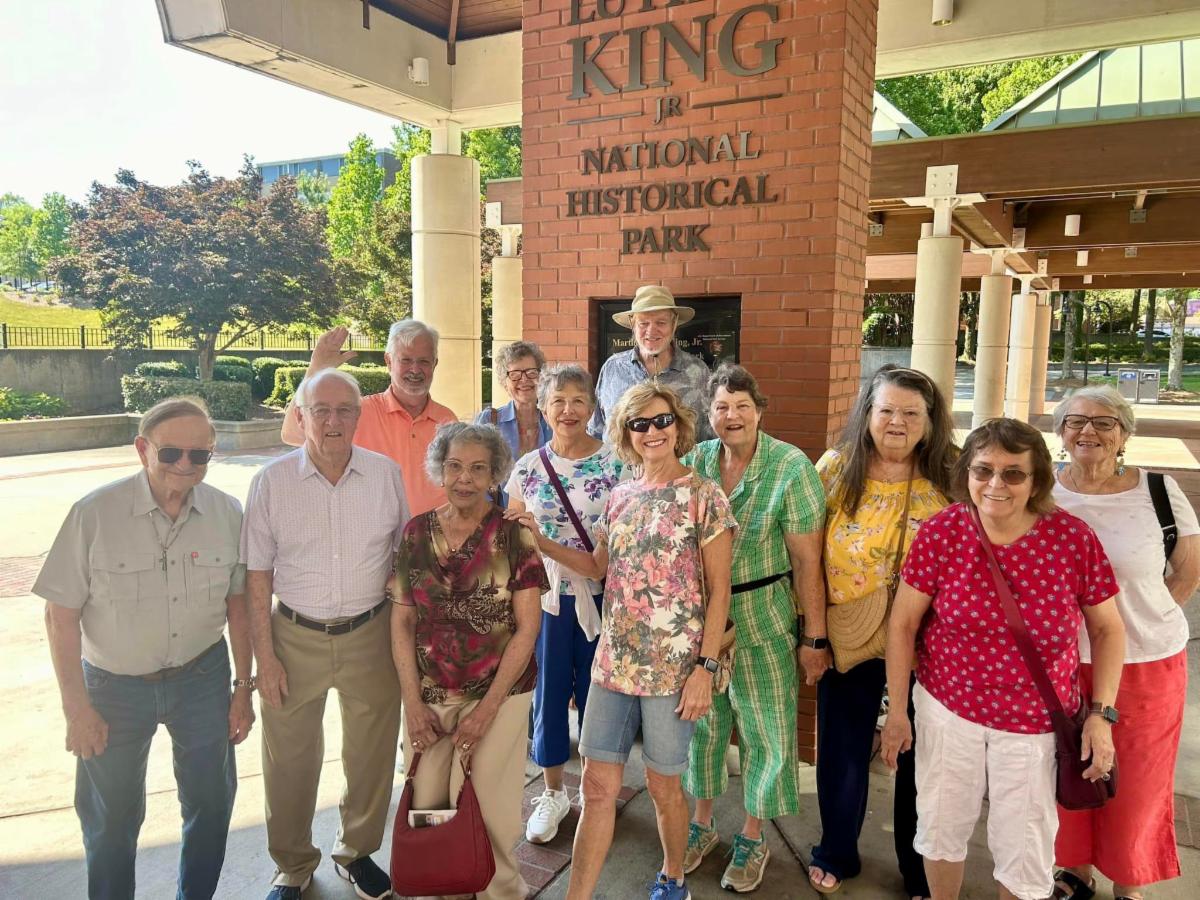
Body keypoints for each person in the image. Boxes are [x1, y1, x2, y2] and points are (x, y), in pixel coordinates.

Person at [881, 417, 1127, 900]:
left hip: (1034, 725)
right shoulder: (942, 532)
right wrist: (896, 712)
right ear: (967, 474)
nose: (996, 483)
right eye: (983, 470)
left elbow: (1108, 628)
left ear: (1036, 481)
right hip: (948, 710)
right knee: (941, 825)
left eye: (1013, 473)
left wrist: (1102, 714)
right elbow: (902, 625)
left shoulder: (1071, 539)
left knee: (1025, 846)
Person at [513, 382, 736, 900]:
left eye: (662, 421)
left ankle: (674, 878)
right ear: (626, 433)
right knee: (595, 787)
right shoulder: (620, 497)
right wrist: (540, 540)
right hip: (613, 665)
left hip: (673, 670)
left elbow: (720, 589)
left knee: (663, 786)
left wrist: (704, 669)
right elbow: (596, 567)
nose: (652, 431)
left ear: (679, 426)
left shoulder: (704, 495)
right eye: (640, 424)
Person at [36, 397, 253, 900]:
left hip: (202, 679)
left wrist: (243, 688)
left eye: (200, 455)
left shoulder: (227, 512)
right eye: (171, 452)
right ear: (142, 449)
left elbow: (238, 606)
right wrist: (76, 709)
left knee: (212, 805)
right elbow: (59, 616)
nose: (185, 465)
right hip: (113, 688)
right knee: (110, 821)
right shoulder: (94, 514)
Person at [243, 368, 410, 900]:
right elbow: (256, 577)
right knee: (288, 757)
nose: (333, 420)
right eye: (321, 410)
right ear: (301, 416)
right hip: (293, 636)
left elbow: (402, 556)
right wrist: (264, 659)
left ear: (359, 417)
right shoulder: (271, 482)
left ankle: (356, 851)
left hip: (370, 632)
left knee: (371, 753)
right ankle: (292, 864)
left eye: (344, 410)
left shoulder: (385, 474)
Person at [809, 364, 958, 898]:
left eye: (911, 413)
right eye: (887, 410)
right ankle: (836, 850)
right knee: (842, 748)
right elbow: (806, 555)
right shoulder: (835, 468)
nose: (898, 422)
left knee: (921, 754)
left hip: (930, 640)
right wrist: (813, 634)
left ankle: (918, 868)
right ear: (867, 413)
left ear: (931, 420)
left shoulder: (953, 472)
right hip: (851, 630)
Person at [1048, 386, 1200, 900]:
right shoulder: (1043, 491)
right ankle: (1074, 872)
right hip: (1066, 663)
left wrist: (1136, 624)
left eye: (1104, 422)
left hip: (1146, 663)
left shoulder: (1158, 490)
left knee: (1137, 781)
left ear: (1124, 434)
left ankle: (1129, 883)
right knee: (1070, 769)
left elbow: (1187, 572)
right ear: (1061, 431)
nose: (1088, 430)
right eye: (1076, 420)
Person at [678, 363, 825, 893]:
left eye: (742, 406)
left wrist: (813, 636)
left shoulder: (790, 467)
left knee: (766, 729)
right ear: (709, 414)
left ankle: (752, 835)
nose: (732, 416)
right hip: (702, 620)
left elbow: (807, 562)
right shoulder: (695, 461)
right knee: (703, 726)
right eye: (721, 407)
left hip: (764, 615)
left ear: (759, 411)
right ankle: (701, 824)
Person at [390, 422, 549, 900]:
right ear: (440, 469)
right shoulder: (416, 533)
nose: (465, 478)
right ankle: (441, 885)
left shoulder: (514, 535)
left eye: (478, 469)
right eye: (455, 466)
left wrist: (486, 710)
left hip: (501, 693)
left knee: (492, 808)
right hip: (431, 693)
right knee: (429, 804)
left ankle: (499, 891)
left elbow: (528, 629)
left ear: (494, 475)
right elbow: (402, 621)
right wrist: (412, 703)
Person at [504, 364, 626, 845]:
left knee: (601, 701)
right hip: (547, 602)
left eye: (578, 400)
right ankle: (552, 792)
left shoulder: (618, 463)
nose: (568, 410)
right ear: (543, 407)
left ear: (592, 407)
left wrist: (547, 543)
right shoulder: (527, 468)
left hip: (605, 599)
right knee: (549, 696)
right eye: (558, 400)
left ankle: (596, 792)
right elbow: (514, 539)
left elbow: (609, 555)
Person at [281, 320, 457, 514]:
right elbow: (292, 433)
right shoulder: (359, 411)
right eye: (406, 360)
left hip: (433, 532)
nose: (415, 370)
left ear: (435, 364)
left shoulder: (447, 420)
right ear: (388, 361)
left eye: (424, 361)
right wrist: (316, 370)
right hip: (373, 530)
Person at [589, 284, 714, 442]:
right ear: (633, 325)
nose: (651, 331)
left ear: (674, 324)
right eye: (643, 323)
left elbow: (708, 436)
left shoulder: (698, 371)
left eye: (661, 322)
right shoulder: (613, 368)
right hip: (619, 459)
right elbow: (595, 431)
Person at [475, 340, 552, 458]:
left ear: (542, 377)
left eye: (531, 372)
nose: (524, 379)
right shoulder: (489, 421)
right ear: (504, 382)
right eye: (515, 374)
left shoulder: (555, 420)